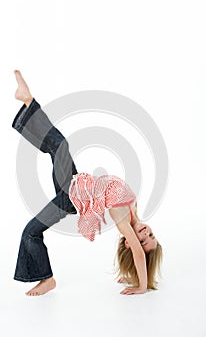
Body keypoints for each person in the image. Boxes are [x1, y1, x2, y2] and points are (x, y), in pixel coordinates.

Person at [12, 70, 163, 296]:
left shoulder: (123, 220)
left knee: (30, 232)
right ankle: (28, 102)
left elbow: (140, 256)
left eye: (142, 240)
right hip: (75, 185)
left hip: (69, 197)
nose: (145, 234)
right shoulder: (133, 210)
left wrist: (142, 286)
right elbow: (138, 256)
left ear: (131, 244)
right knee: (59, 146)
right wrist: (132, 276)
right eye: (151, 236)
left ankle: (46, 279)